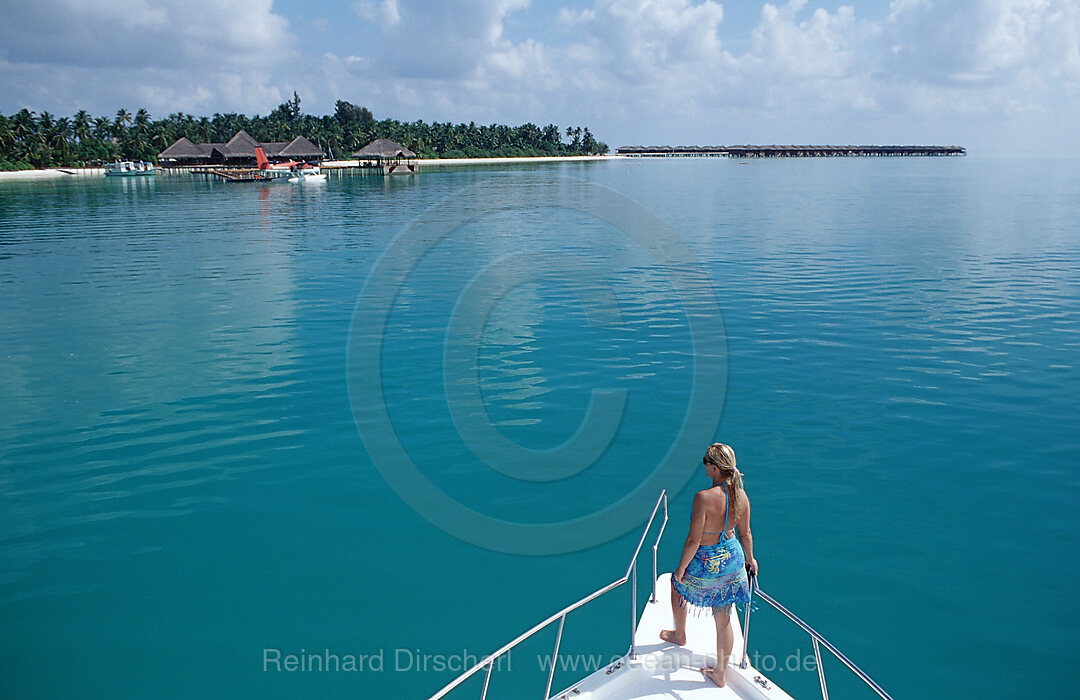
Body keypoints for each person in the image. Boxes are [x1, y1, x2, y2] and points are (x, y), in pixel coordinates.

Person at [660, 443, 758, 688]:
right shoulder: (741, 496)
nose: (703, 464)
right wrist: (750, 558)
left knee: (676, 586)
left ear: (714, 468)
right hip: (732, 558)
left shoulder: (703, 498)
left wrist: (681, 569)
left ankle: (680, 635)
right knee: (723, 617)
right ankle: (720, 674)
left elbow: (694, 540)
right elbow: (745, 534)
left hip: (707, 559)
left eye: (705, 461)